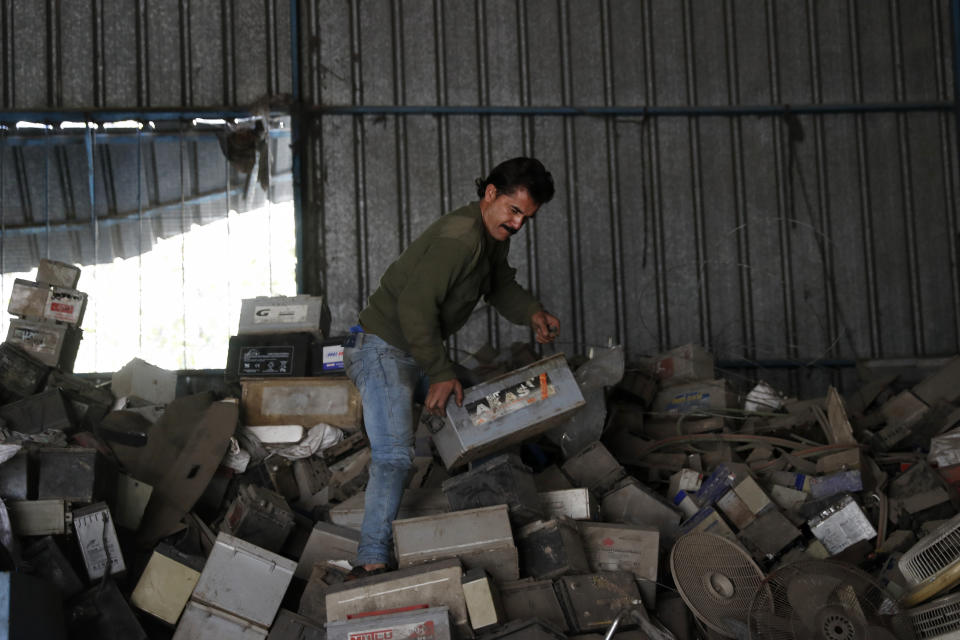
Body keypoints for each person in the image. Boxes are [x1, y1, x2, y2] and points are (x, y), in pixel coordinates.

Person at [342, 157, 560, 578]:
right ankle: (369, 562)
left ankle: (494, 524)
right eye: (514, 211)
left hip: (415, 350)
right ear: (490, 193)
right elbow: (414, 306)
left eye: (526, 218)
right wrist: (440, 372)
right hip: (381, 349)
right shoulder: (460, 238)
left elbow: (500, 286)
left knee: (485, 412)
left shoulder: (494, 236)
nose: (517, 225)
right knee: (394, 456)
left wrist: (533, 312)